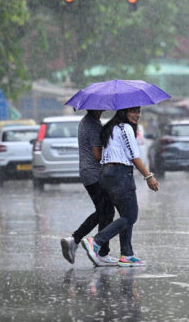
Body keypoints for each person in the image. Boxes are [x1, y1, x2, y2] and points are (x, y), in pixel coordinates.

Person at [82, 106, 158, 267]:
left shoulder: (111, 127)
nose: (137, 115)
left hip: (106, 174)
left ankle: (127, 254)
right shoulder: (125, 128)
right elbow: (133, 155)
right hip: (119, 174)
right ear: (124, 112)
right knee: (130, 216)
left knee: (125, 215)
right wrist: (148, 176)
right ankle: (96, 241)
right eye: (133, 111)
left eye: (138, 111)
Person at [60, 110, 117, 266]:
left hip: (89, 173)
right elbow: (97, 154)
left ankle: (76, 240)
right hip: (94, 174)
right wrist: (114, 151)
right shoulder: (92, 125)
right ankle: (101, 251)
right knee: (107, 211)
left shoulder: (88, 122)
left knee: (103, 211)